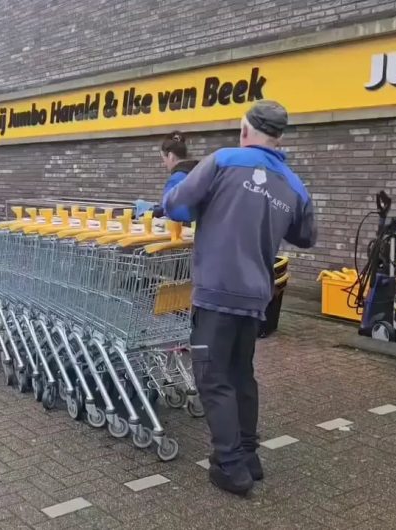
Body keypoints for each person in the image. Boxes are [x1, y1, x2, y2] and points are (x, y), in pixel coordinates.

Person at [163, 100, 317, 496]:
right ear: (278, 137)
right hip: (255, 297)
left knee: (212, 378)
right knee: (240, 374)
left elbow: (175, 205)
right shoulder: (294, 184)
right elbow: (306, 236)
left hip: (215, 292)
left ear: (246, 130)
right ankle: (249, 456)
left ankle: (230, 467)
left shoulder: (222, 160)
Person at [133, 131, 198, 220]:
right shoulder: (200, 173)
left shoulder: (176, 180)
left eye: (164, 158)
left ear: (171, 156)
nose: (164, 164)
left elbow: (175, 214)